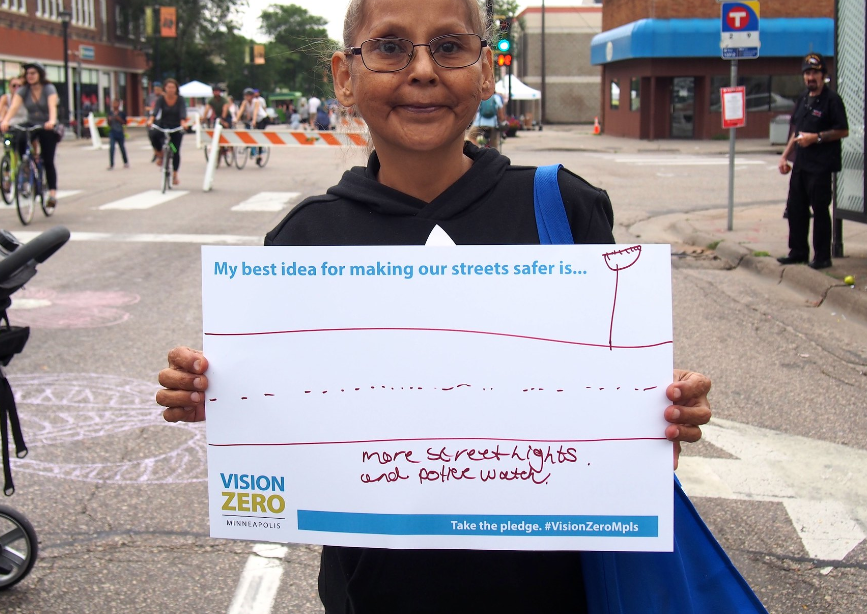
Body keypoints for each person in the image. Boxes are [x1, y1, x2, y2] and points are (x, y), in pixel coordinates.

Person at [157, 0, 712, 611]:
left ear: (486, 72)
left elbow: (612, 392)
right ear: (345, 76)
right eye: (390, 47)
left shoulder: (561, 210)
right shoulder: (305, 242)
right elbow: (285, 411)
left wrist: (660, 410)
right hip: (373, 596)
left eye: (449, 46)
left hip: (552, 593)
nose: (422, 69)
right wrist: (219, 392)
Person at [777, 53, 849, 270]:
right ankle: (798, 252)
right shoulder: (802, 100)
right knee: (796, 209)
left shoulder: (832, 100)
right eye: (807, 73)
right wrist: (784, 156)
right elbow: (796, 132)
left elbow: (842, 131)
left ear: (823, 76)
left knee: (819, 210)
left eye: (815, 73)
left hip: (821, 165)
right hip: (801, 163)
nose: (811, 77)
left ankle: (822, 257)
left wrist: (816, 138)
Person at [1, 61, 60, 209]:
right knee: (19, 138)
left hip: (46, 124)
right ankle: (27, 163)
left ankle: (52, 193)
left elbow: (52, 106)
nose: (30, 76)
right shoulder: (24, 90)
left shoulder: (48, 88)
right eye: (27, 74)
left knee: (48, 160)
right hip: (31, 123)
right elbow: (14, 107)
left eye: (33, 73)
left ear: (40, 74)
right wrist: (6, 121)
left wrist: (52, 120)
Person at [147, 77, 187, 186]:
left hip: (176, 128)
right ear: (165, 88)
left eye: (173, 87)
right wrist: (151, 120)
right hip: (163, 125)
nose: (170, 89)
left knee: (175, 150)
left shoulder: (180, 100)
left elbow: (183, 112)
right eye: (168, 87)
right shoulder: (161, 99)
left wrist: (183, 122)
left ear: (176, 89)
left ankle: (174, 175)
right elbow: (155, 111)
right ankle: (159, 153)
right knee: (153, 133)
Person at [106, 98, 129, 170]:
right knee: (112, 148)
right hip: (112, 132)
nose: (114, 105)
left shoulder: (122, 113)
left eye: (116, 103)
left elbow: (125, 122)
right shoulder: (110, 113)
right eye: (113, 103)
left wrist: (119, 119)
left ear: (119, 105)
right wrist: (109, 120)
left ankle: (125, 162)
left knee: (122, 148)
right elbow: (109, 124)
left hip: (120, 132)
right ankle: (111, 164)